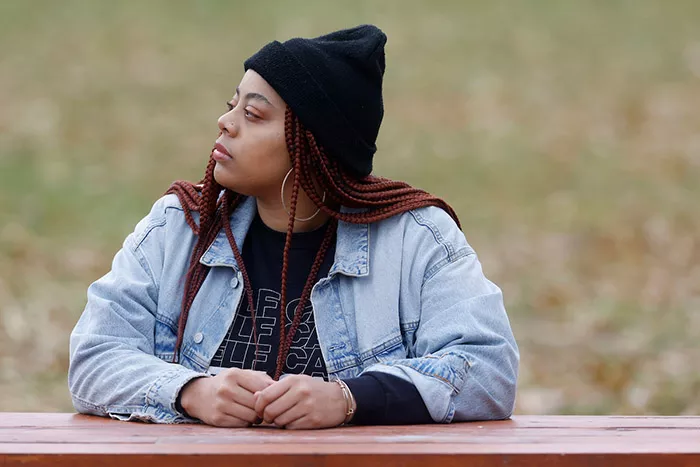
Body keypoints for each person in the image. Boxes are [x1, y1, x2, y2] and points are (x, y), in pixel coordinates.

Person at [68, 24, 519, 429]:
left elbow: (488, 368)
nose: (225, 123)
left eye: (253, 115)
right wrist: (191, 392)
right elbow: (95, 354)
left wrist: (349, 399)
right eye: (232, 106)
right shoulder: (181, 225)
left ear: (312, 145)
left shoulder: (416, 238)